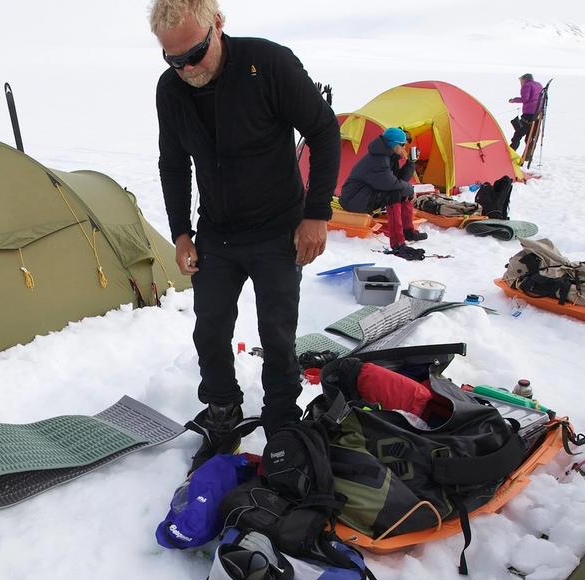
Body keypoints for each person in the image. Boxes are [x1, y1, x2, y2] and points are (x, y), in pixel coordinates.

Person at [152, 0, 340, 465]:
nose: (187, 68)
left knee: (277, 330)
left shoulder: (268, 63)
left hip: (279, 228)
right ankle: (221, 408)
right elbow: (174, 164)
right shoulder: (171, 91)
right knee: (210, 327)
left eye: (194, 54)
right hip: (217, 231)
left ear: (218, 24)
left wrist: (316, 214)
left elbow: (323, 130)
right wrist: (180, 232)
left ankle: (281, 415)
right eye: (173, 60)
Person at [337, 127, 425, 261]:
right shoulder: (378, 160)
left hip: (364, 194)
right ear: (393, 144)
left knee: (402, 191)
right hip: (353, 199)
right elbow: (392, 184)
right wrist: (409, 189)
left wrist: (411, 162)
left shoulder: (389, 156)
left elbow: (399, 180)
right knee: (395, 193)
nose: (404, 148)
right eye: (402, 145)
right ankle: (397, 243)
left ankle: (408, 232)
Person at [509, 73, 543, 150]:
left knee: (518, 134)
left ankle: (511, 151)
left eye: (521, 81)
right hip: (537, 114)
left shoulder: (526, 85)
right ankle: (527, 154)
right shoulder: (538, 85)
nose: (520, 83)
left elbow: (525, 99)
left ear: (524, 79)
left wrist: (514, 100)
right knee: (529, 136)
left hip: (528, 114)